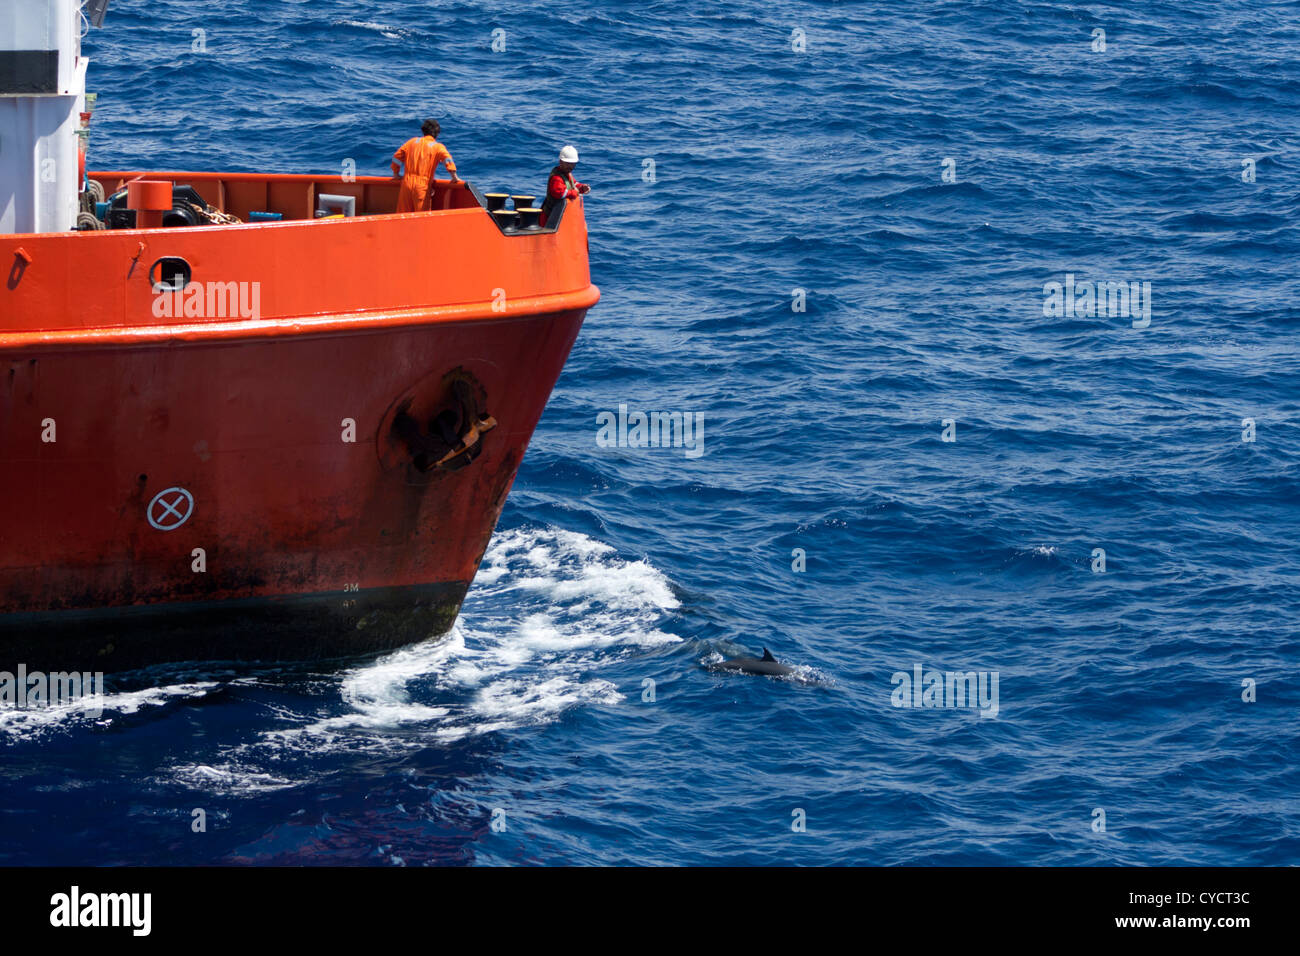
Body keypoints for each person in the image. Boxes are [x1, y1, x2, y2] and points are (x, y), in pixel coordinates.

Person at [391, 119, 460, 213]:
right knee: (422, 218)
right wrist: (454, 176)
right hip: (422, 186)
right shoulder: (437, 146)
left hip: (406, 184)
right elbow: (447, 159)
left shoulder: (412, 142)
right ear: (436, 133)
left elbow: (396, 157)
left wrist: (396, 173)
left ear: (423, 130)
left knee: (402, 216)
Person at [539, 145, 590, 226]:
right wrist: (575, 193)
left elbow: (573, 184)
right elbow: (560, 193)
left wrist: (582, 188)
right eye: (568, 163)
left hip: (558, 216)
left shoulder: (567, 174)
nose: (570, 166)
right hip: (550, 216)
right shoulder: (556, 177)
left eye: (572, 164)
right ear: (561, 162)